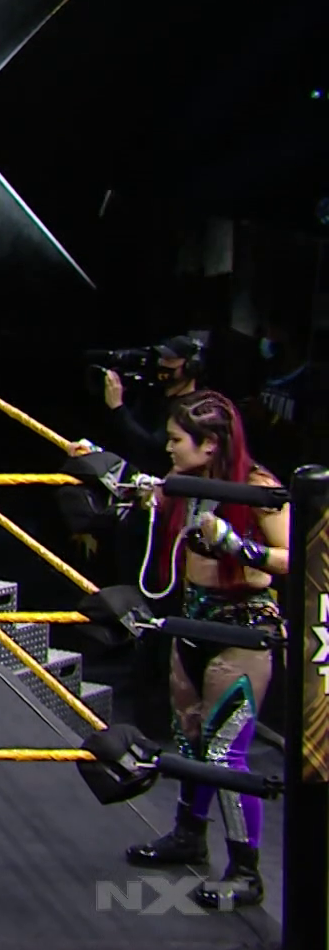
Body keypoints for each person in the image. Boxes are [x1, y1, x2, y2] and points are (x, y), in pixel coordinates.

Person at [124, 391, 289, 910]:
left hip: (242, 630)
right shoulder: (185, 482)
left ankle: (246, 871)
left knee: (225, 754)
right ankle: (188, 835)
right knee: (191, 739)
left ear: (210, 443)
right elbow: (154, 505)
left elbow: (295, 555)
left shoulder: (259, 487)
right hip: (193, 619)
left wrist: (239, 547)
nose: (168, 448)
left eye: (177, 439)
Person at [99, 334, 205, 474]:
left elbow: (153, 450)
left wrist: (118, 408)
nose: (162, 364)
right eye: (161, 358)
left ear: (190, 367)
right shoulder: (153, 394)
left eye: (169, 360)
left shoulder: (191, 408)